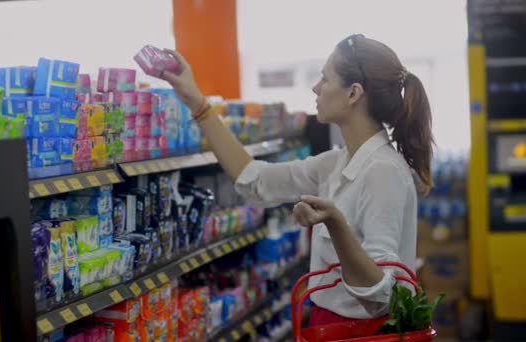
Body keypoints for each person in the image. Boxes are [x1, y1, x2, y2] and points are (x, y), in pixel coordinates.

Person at [161, 34, 433, 327]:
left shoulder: (383, 172)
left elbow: (380, 297)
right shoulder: (337, 162)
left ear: (354, 93)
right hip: (327, 322)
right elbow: (255, 180)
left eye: (325, 79)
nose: (316, 88)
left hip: (363, 332)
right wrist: (196, 102)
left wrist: (335, 224)